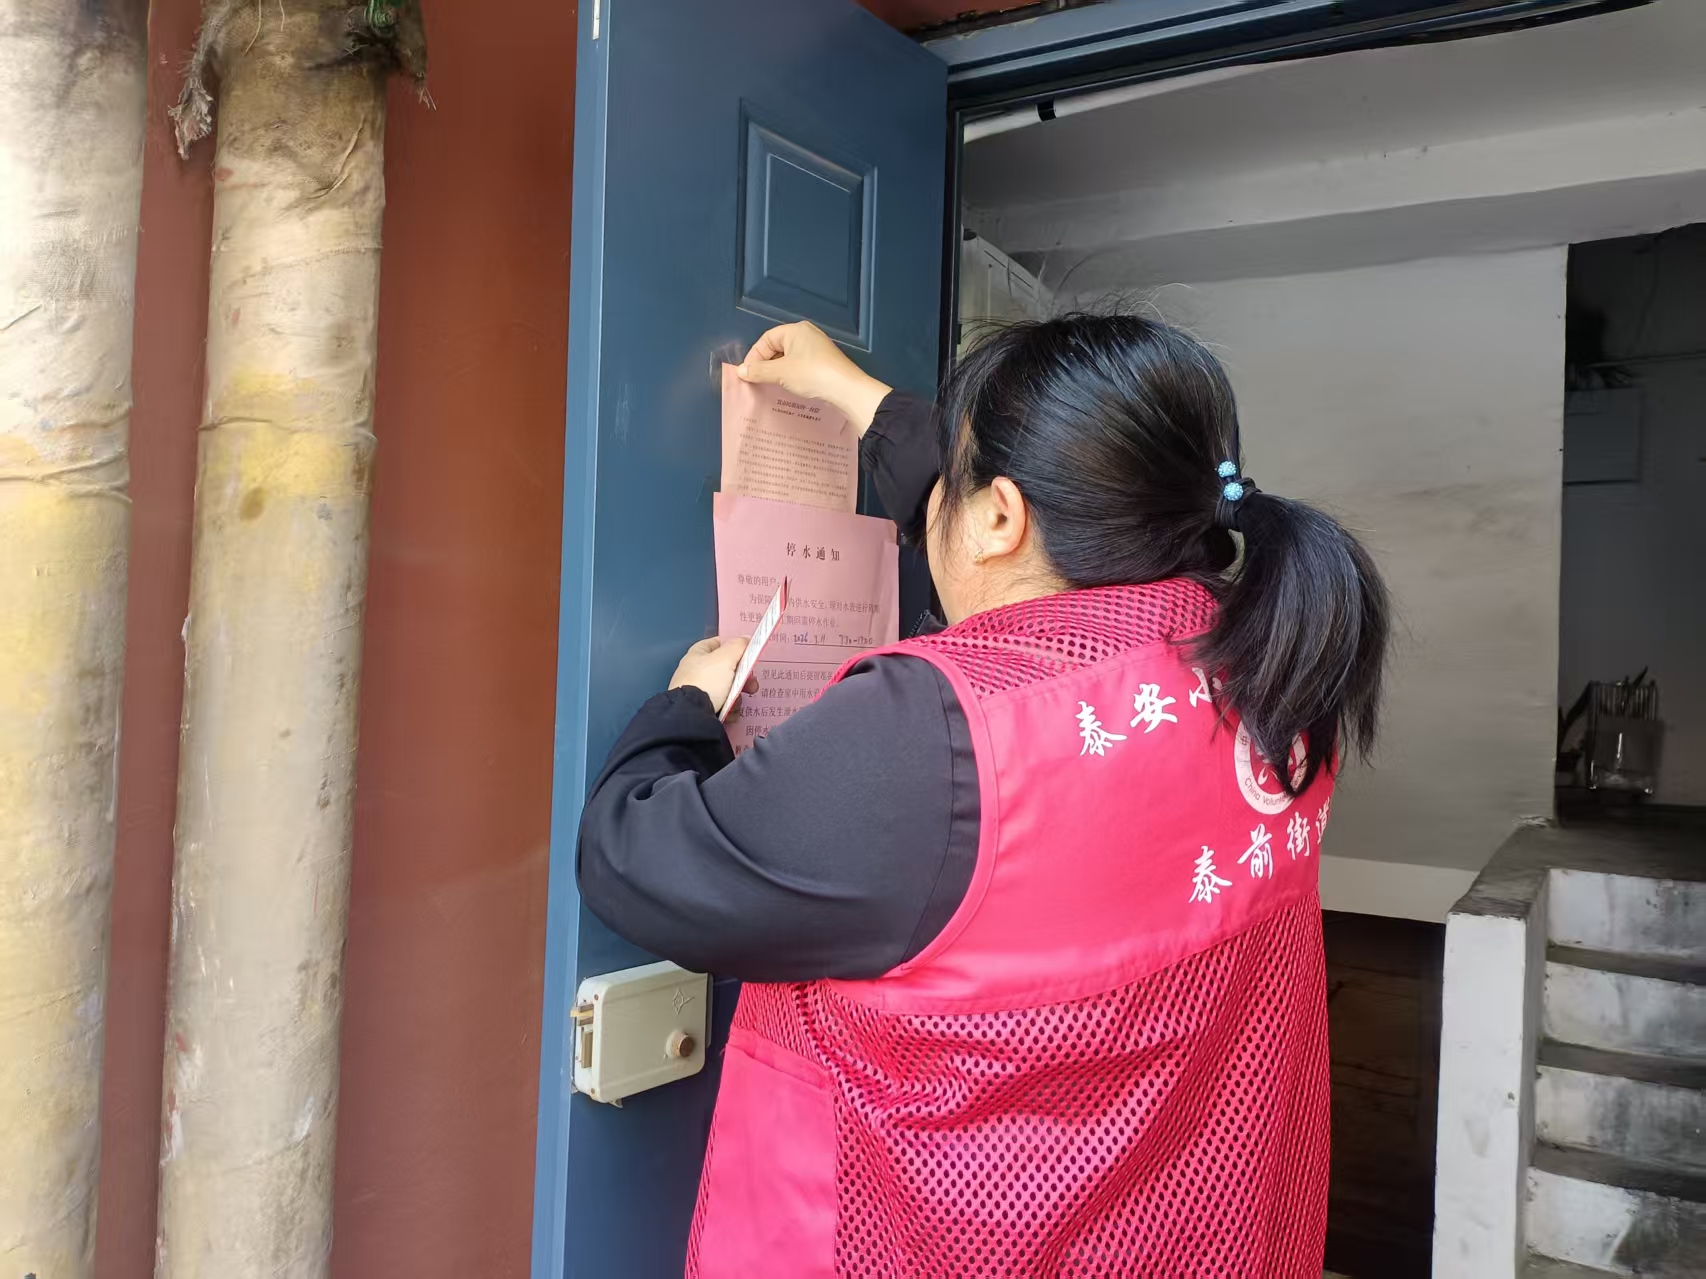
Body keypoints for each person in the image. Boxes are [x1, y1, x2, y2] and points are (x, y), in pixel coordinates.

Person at [578, 315, 1390, 1278]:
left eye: (960, 484)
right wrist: (857, 399)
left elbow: (640, 859)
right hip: (1198, 1234)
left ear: (1002, 515)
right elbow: (1004, 543)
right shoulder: (1278, 664)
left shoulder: (937, 731)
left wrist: (684, 709)